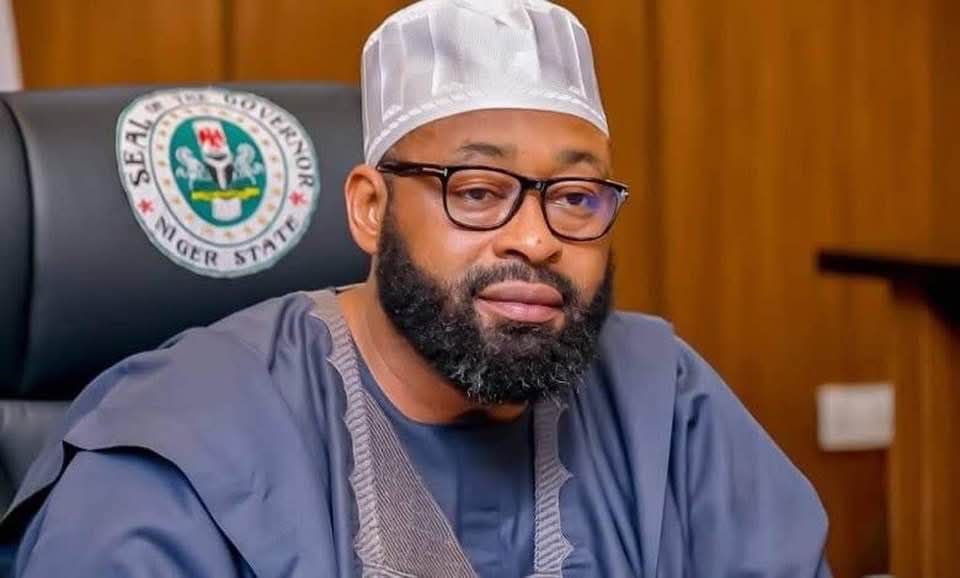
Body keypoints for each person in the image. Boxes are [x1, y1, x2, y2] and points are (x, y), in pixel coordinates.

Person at [0, 0, 830, 576]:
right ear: (371, 208)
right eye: (478, 190)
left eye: (576, 198)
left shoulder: (664, 400)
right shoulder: (183, 441)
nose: (536, 239)